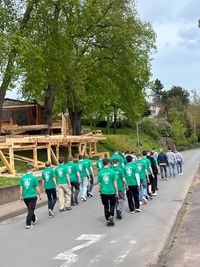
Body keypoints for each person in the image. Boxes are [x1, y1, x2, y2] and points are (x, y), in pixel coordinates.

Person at [20, 162, 41, 229]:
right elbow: (37, 188)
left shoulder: (22, 178)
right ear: (31, 169)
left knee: (30, 209)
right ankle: (28, 223)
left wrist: (21, 196)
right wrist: (39, 195)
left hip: (25, 196)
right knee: (31, 209)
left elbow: (21, 187)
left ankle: (34, 219)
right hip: (32, 196)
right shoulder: (34, 178)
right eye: (33, 169)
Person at [98, 158, 118, 226]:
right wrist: (117, 191)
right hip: (112, 191)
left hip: (104, 192)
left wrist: (99, 190)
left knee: (106, 205)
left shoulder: (100, 172)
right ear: (108, 163)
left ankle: (108, 217)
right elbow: (115, 182)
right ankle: (111, 216)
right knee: (112, 204)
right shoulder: (112, 172)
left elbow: (100, 183)